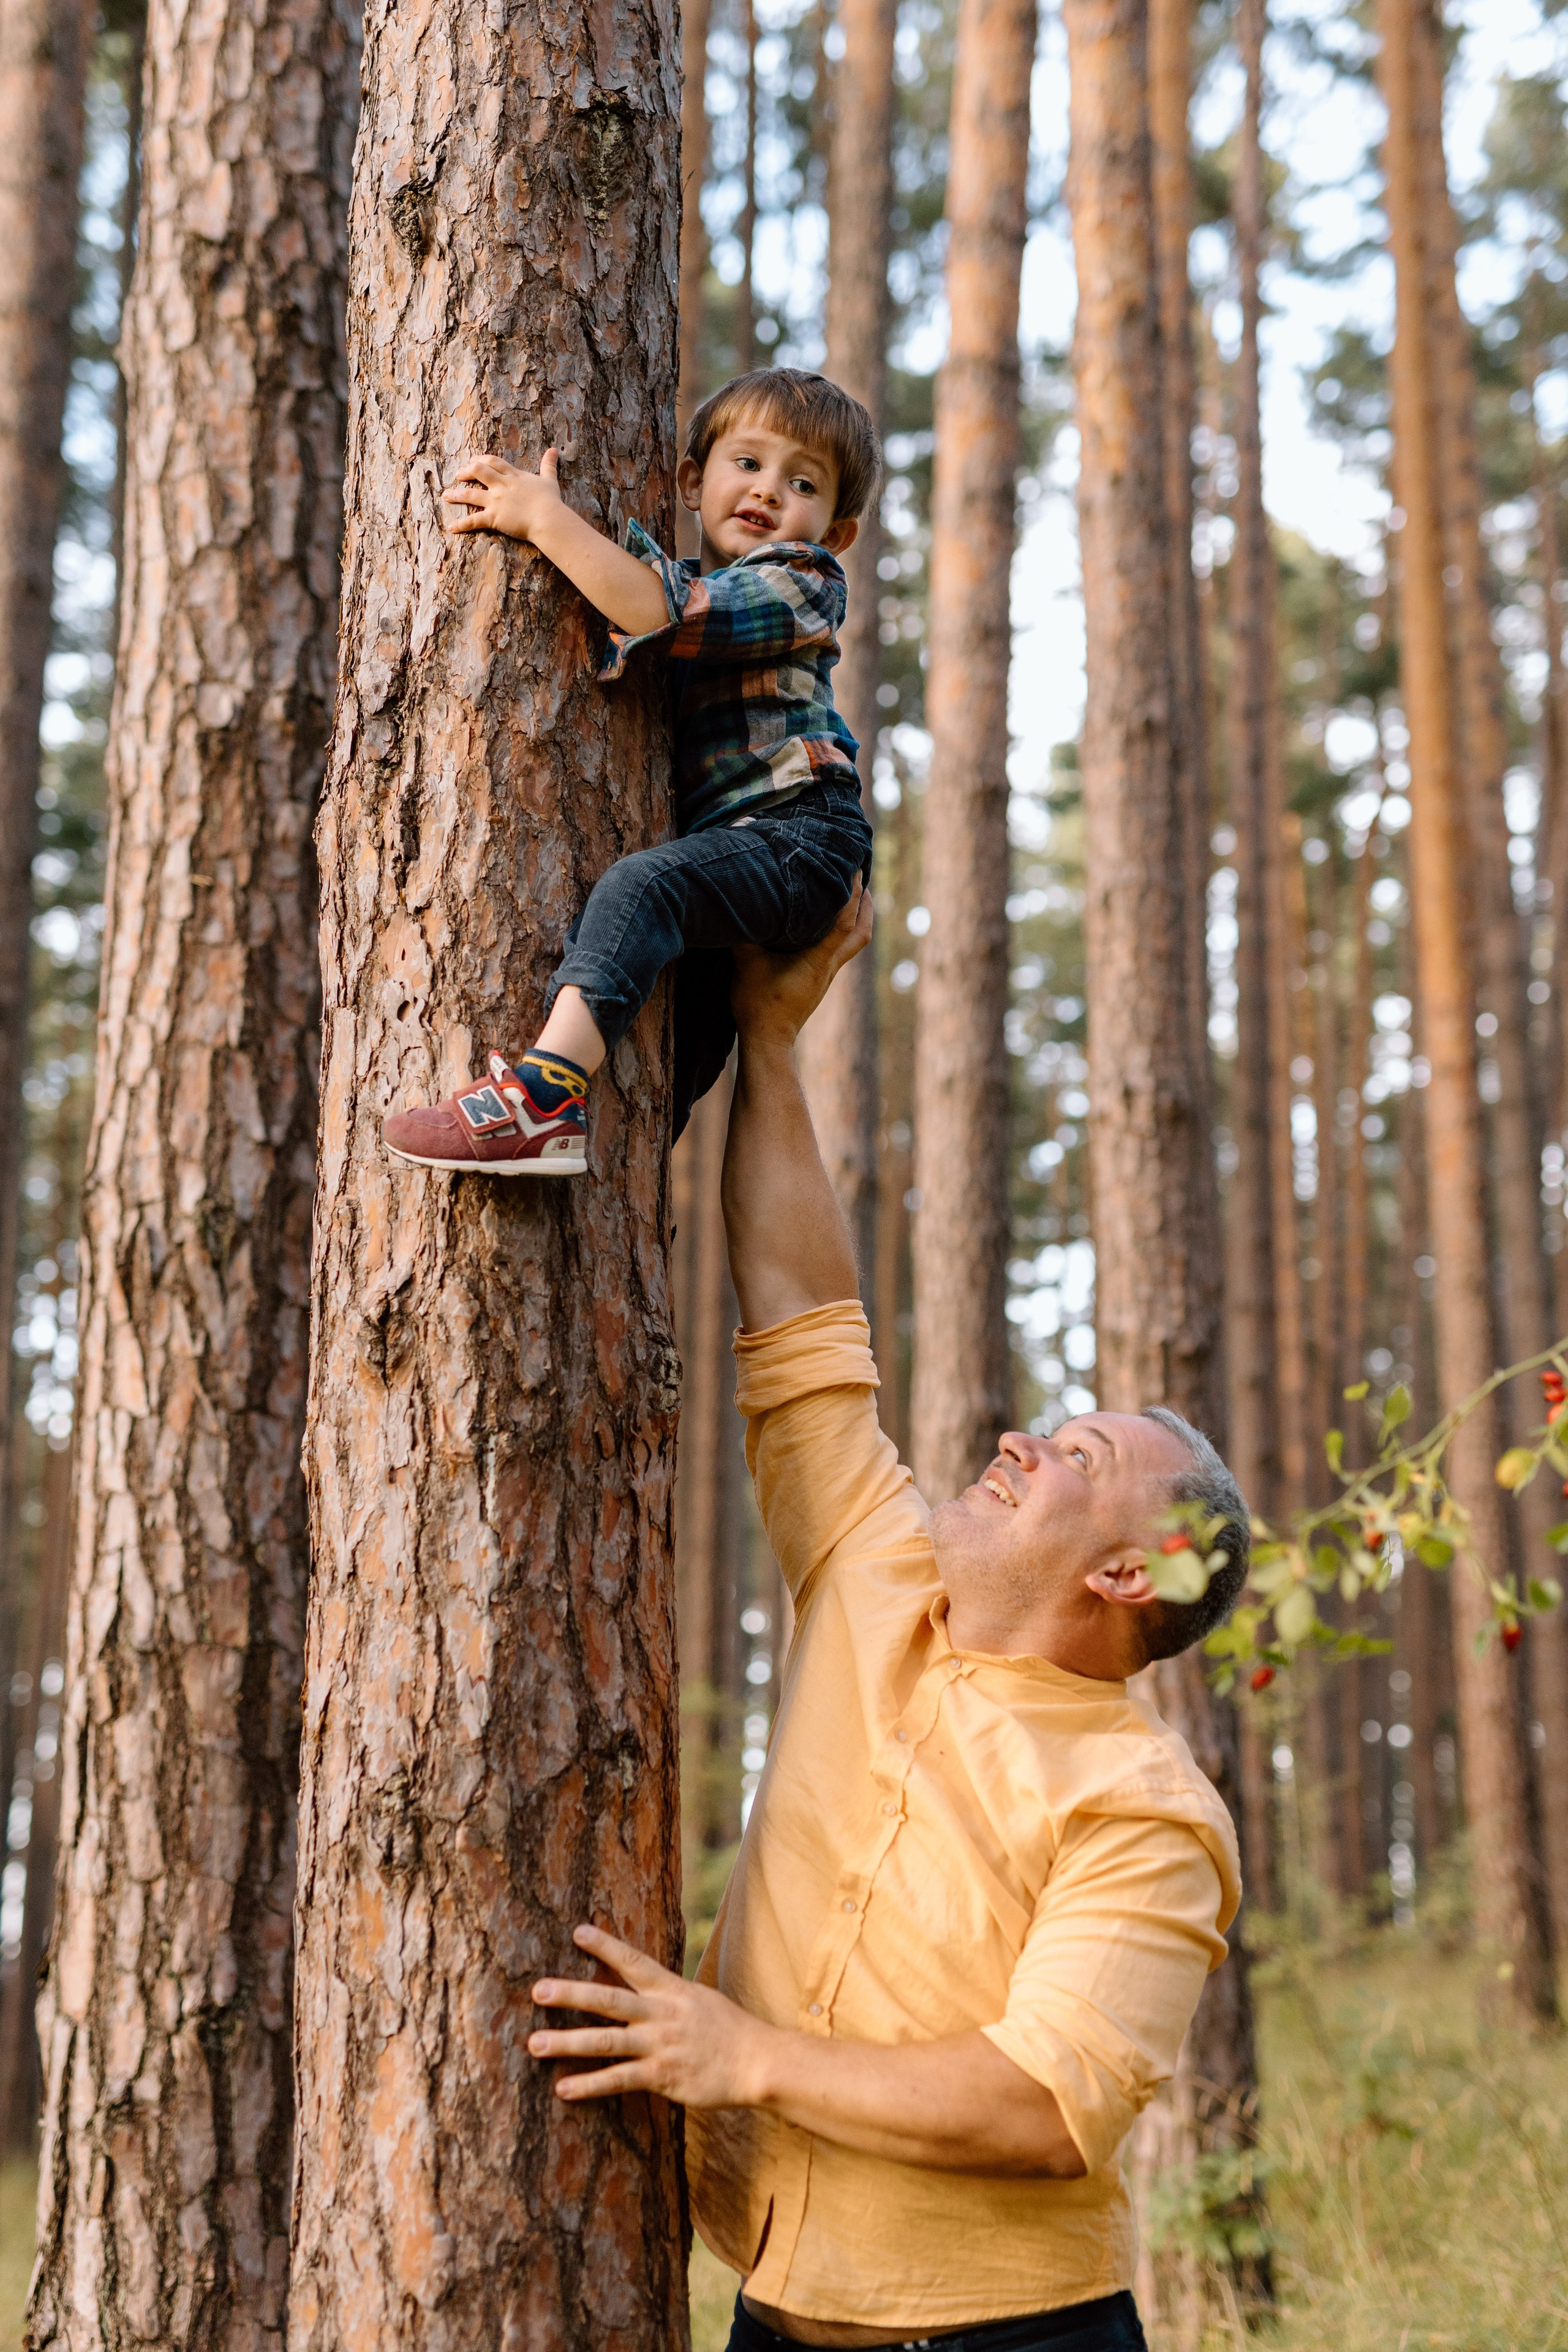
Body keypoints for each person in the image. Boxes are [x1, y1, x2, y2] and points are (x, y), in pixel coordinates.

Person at [526, 895, 1250, 2352]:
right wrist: (776, 1045)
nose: (1020, 1444)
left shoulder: (1144, 1813)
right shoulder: (878, 1571)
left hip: (1004, 2339)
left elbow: (1039, 2107)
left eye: (1077, 1460)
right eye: (1050, 1426)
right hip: (767, 2315)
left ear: (1131, 1578)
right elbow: (802, 1314)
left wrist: (737, 2058)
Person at [382, 367, 878, 1177]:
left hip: (800, 836)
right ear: (692, 478)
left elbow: (652, 610)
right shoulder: (697, 575)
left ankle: (538, 1099)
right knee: (683, 1042)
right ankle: (623, 1189)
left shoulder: (806, 582)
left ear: (837, 530)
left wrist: (544, 518)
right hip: (746, 851)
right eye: (746, 464)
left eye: (803, 482)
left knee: (644, 888)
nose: (767, 492)